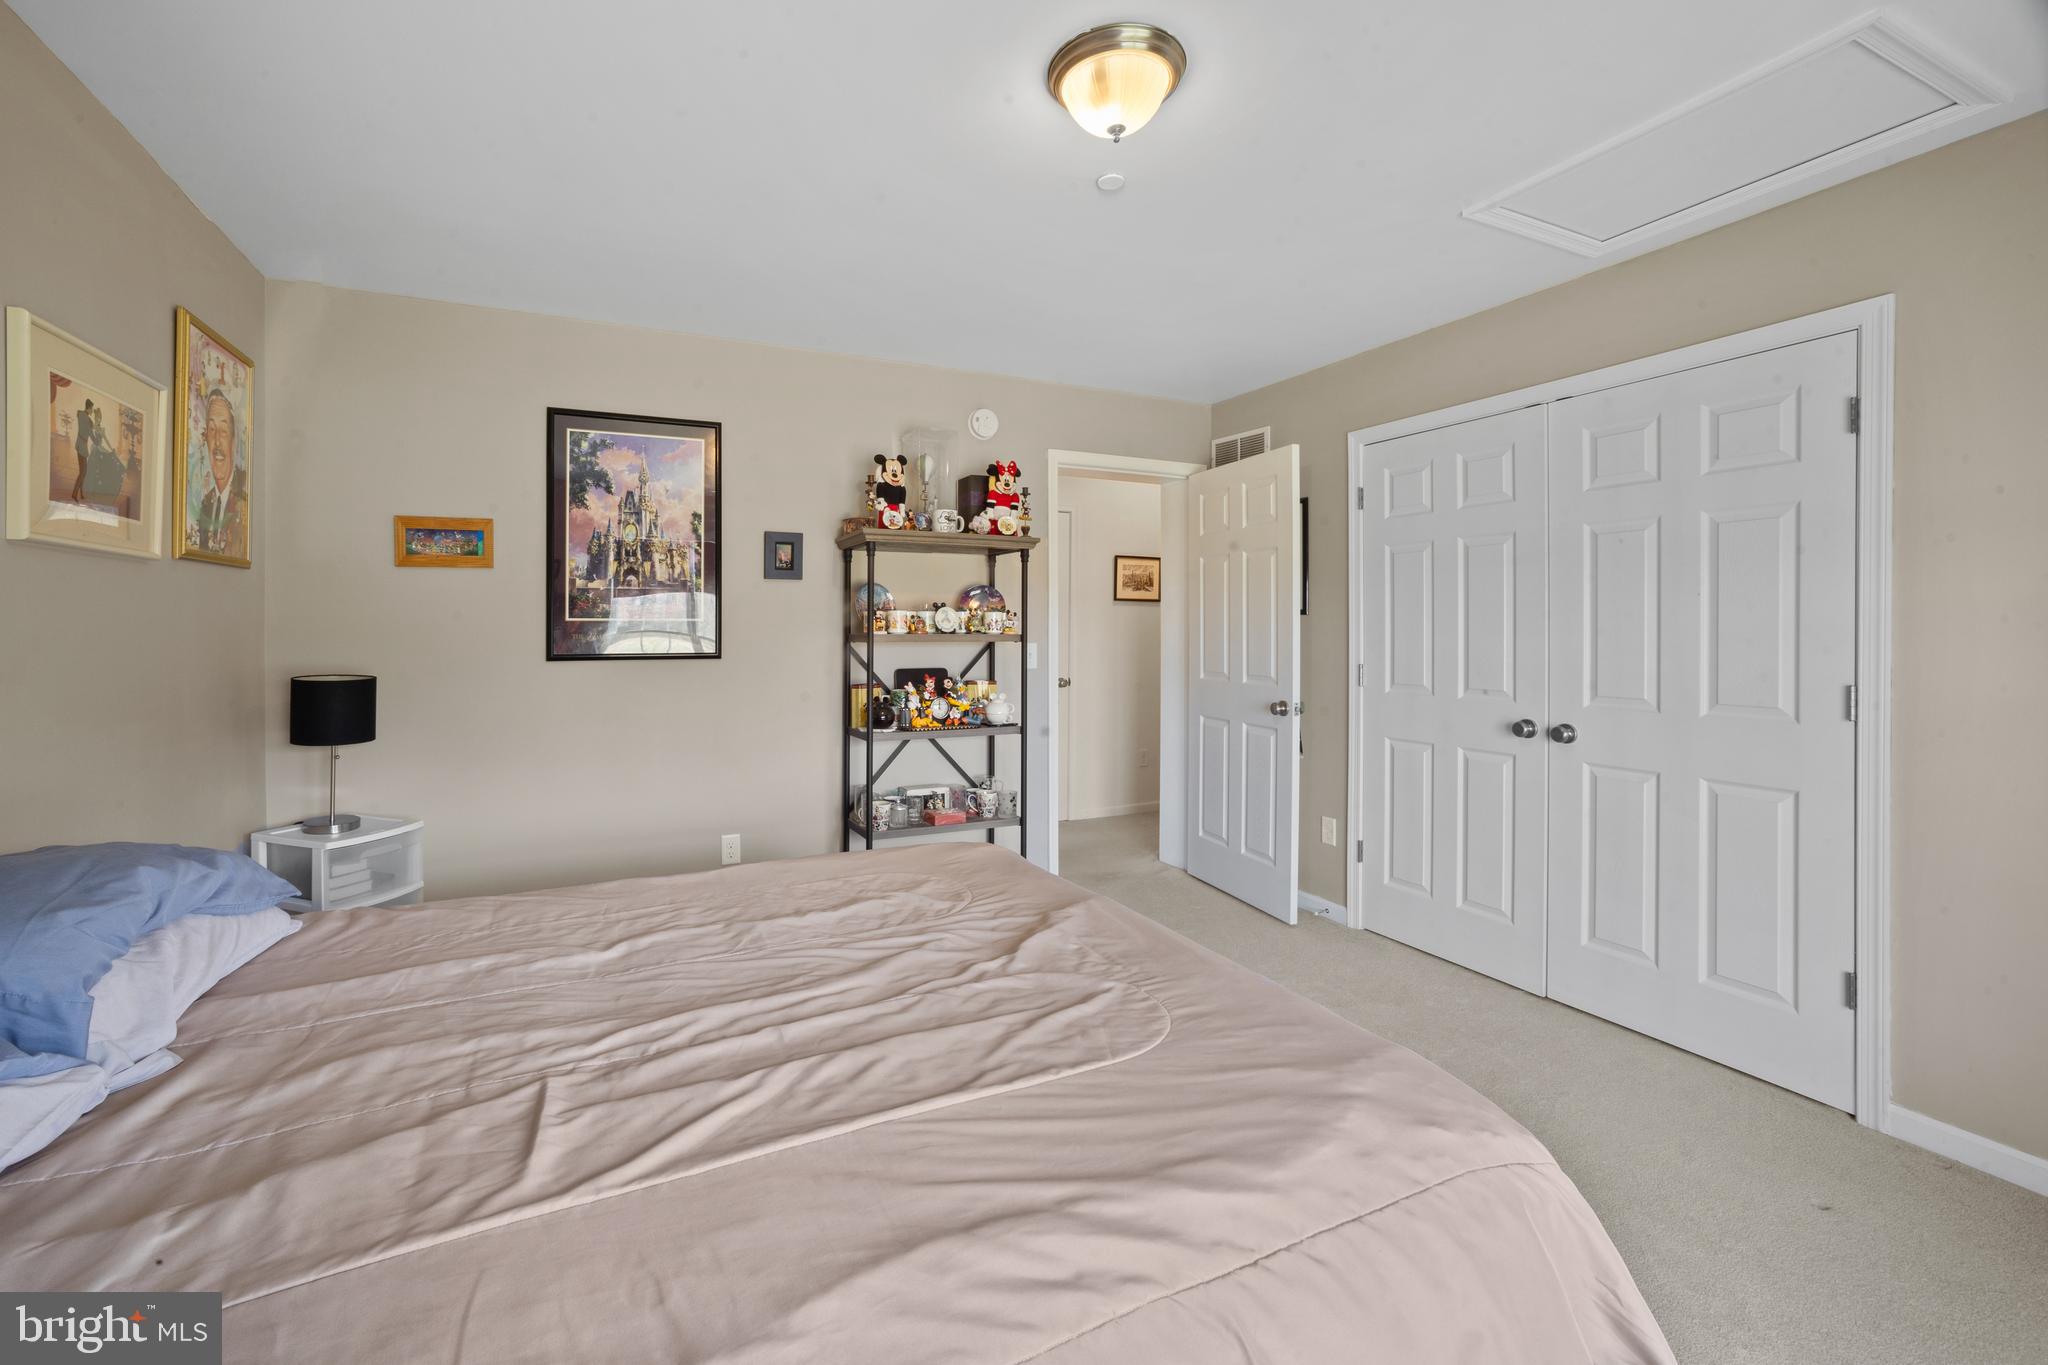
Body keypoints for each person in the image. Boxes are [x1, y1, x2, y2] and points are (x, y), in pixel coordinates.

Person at [192, 388, 244, 554]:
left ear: (233, 441)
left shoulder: (244, 501)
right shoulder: (206, 505)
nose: (217, 442)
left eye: (223, 431)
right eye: (212, 430)